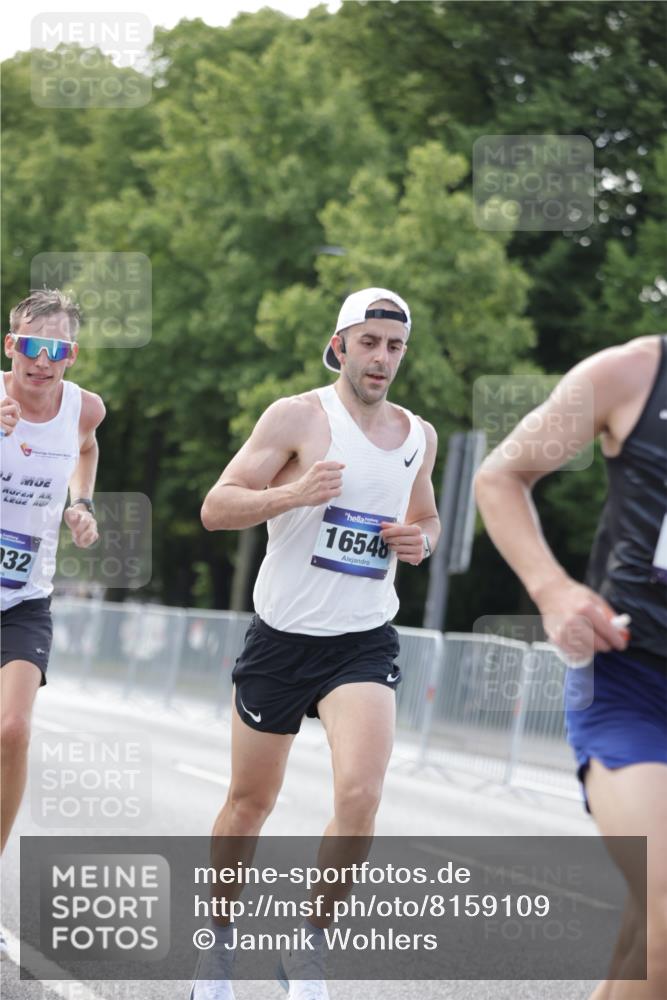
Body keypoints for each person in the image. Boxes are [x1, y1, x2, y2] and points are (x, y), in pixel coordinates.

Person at [195, 287, 440, 1000]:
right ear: (339, 345)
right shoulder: (298, 416)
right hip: (281, 638)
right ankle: (216, 949)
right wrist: (289, 495)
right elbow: (216, 506)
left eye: (393, 346)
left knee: (361, 795)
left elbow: (426, 518)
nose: (381, 358)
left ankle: (308, 950)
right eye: (369, 342)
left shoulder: (416, 435)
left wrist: (417, 542)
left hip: (361, 640)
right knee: (249, 802)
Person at [474, 335, 667, 999]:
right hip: (630, 685)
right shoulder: (632, 374)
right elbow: (498, 475)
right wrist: (552, 590)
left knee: (647, 938)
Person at [0, 289, 105, 959]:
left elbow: (86, 449)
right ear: (11, 343)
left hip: (24, 598)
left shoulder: (84, 407)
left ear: (72, 355)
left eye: (58, 349)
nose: (43, 361)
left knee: (11, 729)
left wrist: (82, 503)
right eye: (31, 346)